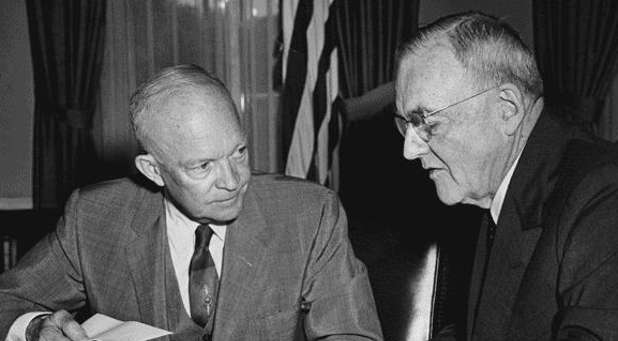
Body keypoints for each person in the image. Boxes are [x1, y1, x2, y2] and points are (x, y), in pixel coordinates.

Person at [0, 64, 383, 341]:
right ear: (153, 170)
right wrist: (36, 328)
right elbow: (8, 300)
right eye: (203, 166)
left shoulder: (309, 214)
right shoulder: (93, 217)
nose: (234, 181)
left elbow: (352, 334)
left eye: (239, 152)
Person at [394, 12, 618, 341]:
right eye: (405, 124)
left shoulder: (602, 194)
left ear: (507, 109)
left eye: (426, 122)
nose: (409, 150)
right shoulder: (500, 192)